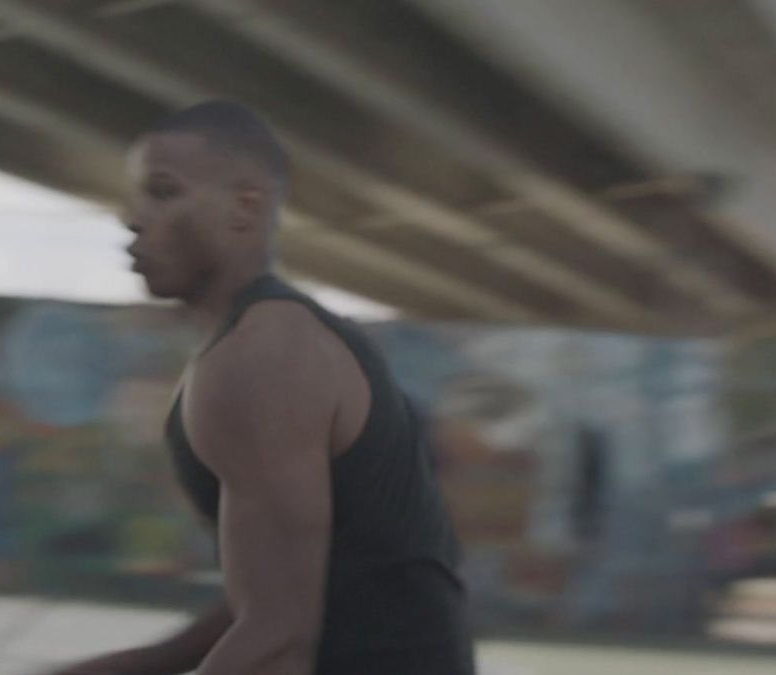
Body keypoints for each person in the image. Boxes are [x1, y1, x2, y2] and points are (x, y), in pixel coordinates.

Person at [58, 102, 474, 673]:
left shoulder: (263, 357)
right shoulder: (265, 342)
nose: (132, 217)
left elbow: (278, 641)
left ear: (245, 207)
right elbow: (278, 599)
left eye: (162, 191)